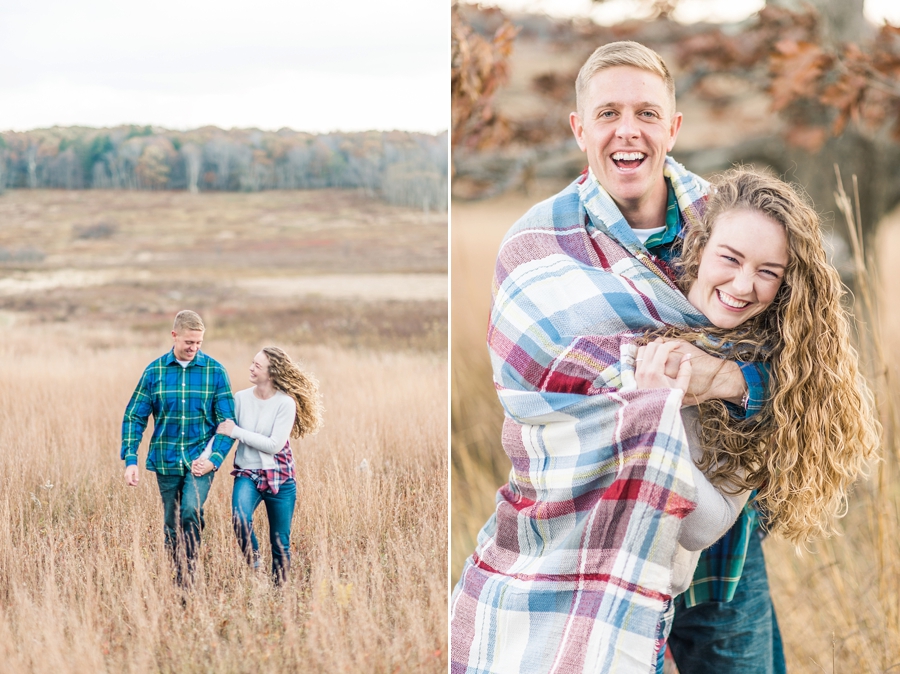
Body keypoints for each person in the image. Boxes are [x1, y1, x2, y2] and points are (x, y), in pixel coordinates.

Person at [450, 41, 875, 674]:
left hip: (722, 561)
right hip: (590, 542)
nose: (629, 131)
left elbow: (810, 360)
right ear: (579, 129)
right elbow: (535, 392)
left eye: (648, 113)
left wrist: (729, 378)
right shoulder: (536, 246)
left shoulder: (734, 223)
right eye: (609, 113)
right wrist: (652, 395)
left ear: (673, 127)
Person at [121, 309, 235, 586]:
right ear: (174, 336)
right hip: (166, 458)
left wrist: (215, 458)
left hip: (201, 458)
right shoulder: (155, 371)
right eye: (189, 342)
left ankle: (190, 578)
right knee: (172, 523)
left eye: (199, 343)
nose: (194, 348)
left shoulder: (215, 371)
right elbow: (134, 416)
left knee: (190, 511)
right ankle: (177, 573)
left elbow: (228, 422)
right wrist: (131, 459)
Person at [211, 346, 322, 583]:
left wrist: (237, 431)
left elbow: (273, 445)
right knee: (240, 518)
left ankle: (279, 592)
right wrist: (207, 458)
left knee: (280, 541)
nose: (251, 368)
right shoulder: (240, 398)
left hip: (280, 478)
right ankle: (256, 567)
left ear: (271, 373)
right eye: (252, 363)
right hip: (247, 474)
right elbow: (222, 432)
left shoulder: (285, 403)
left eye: (257, 366)